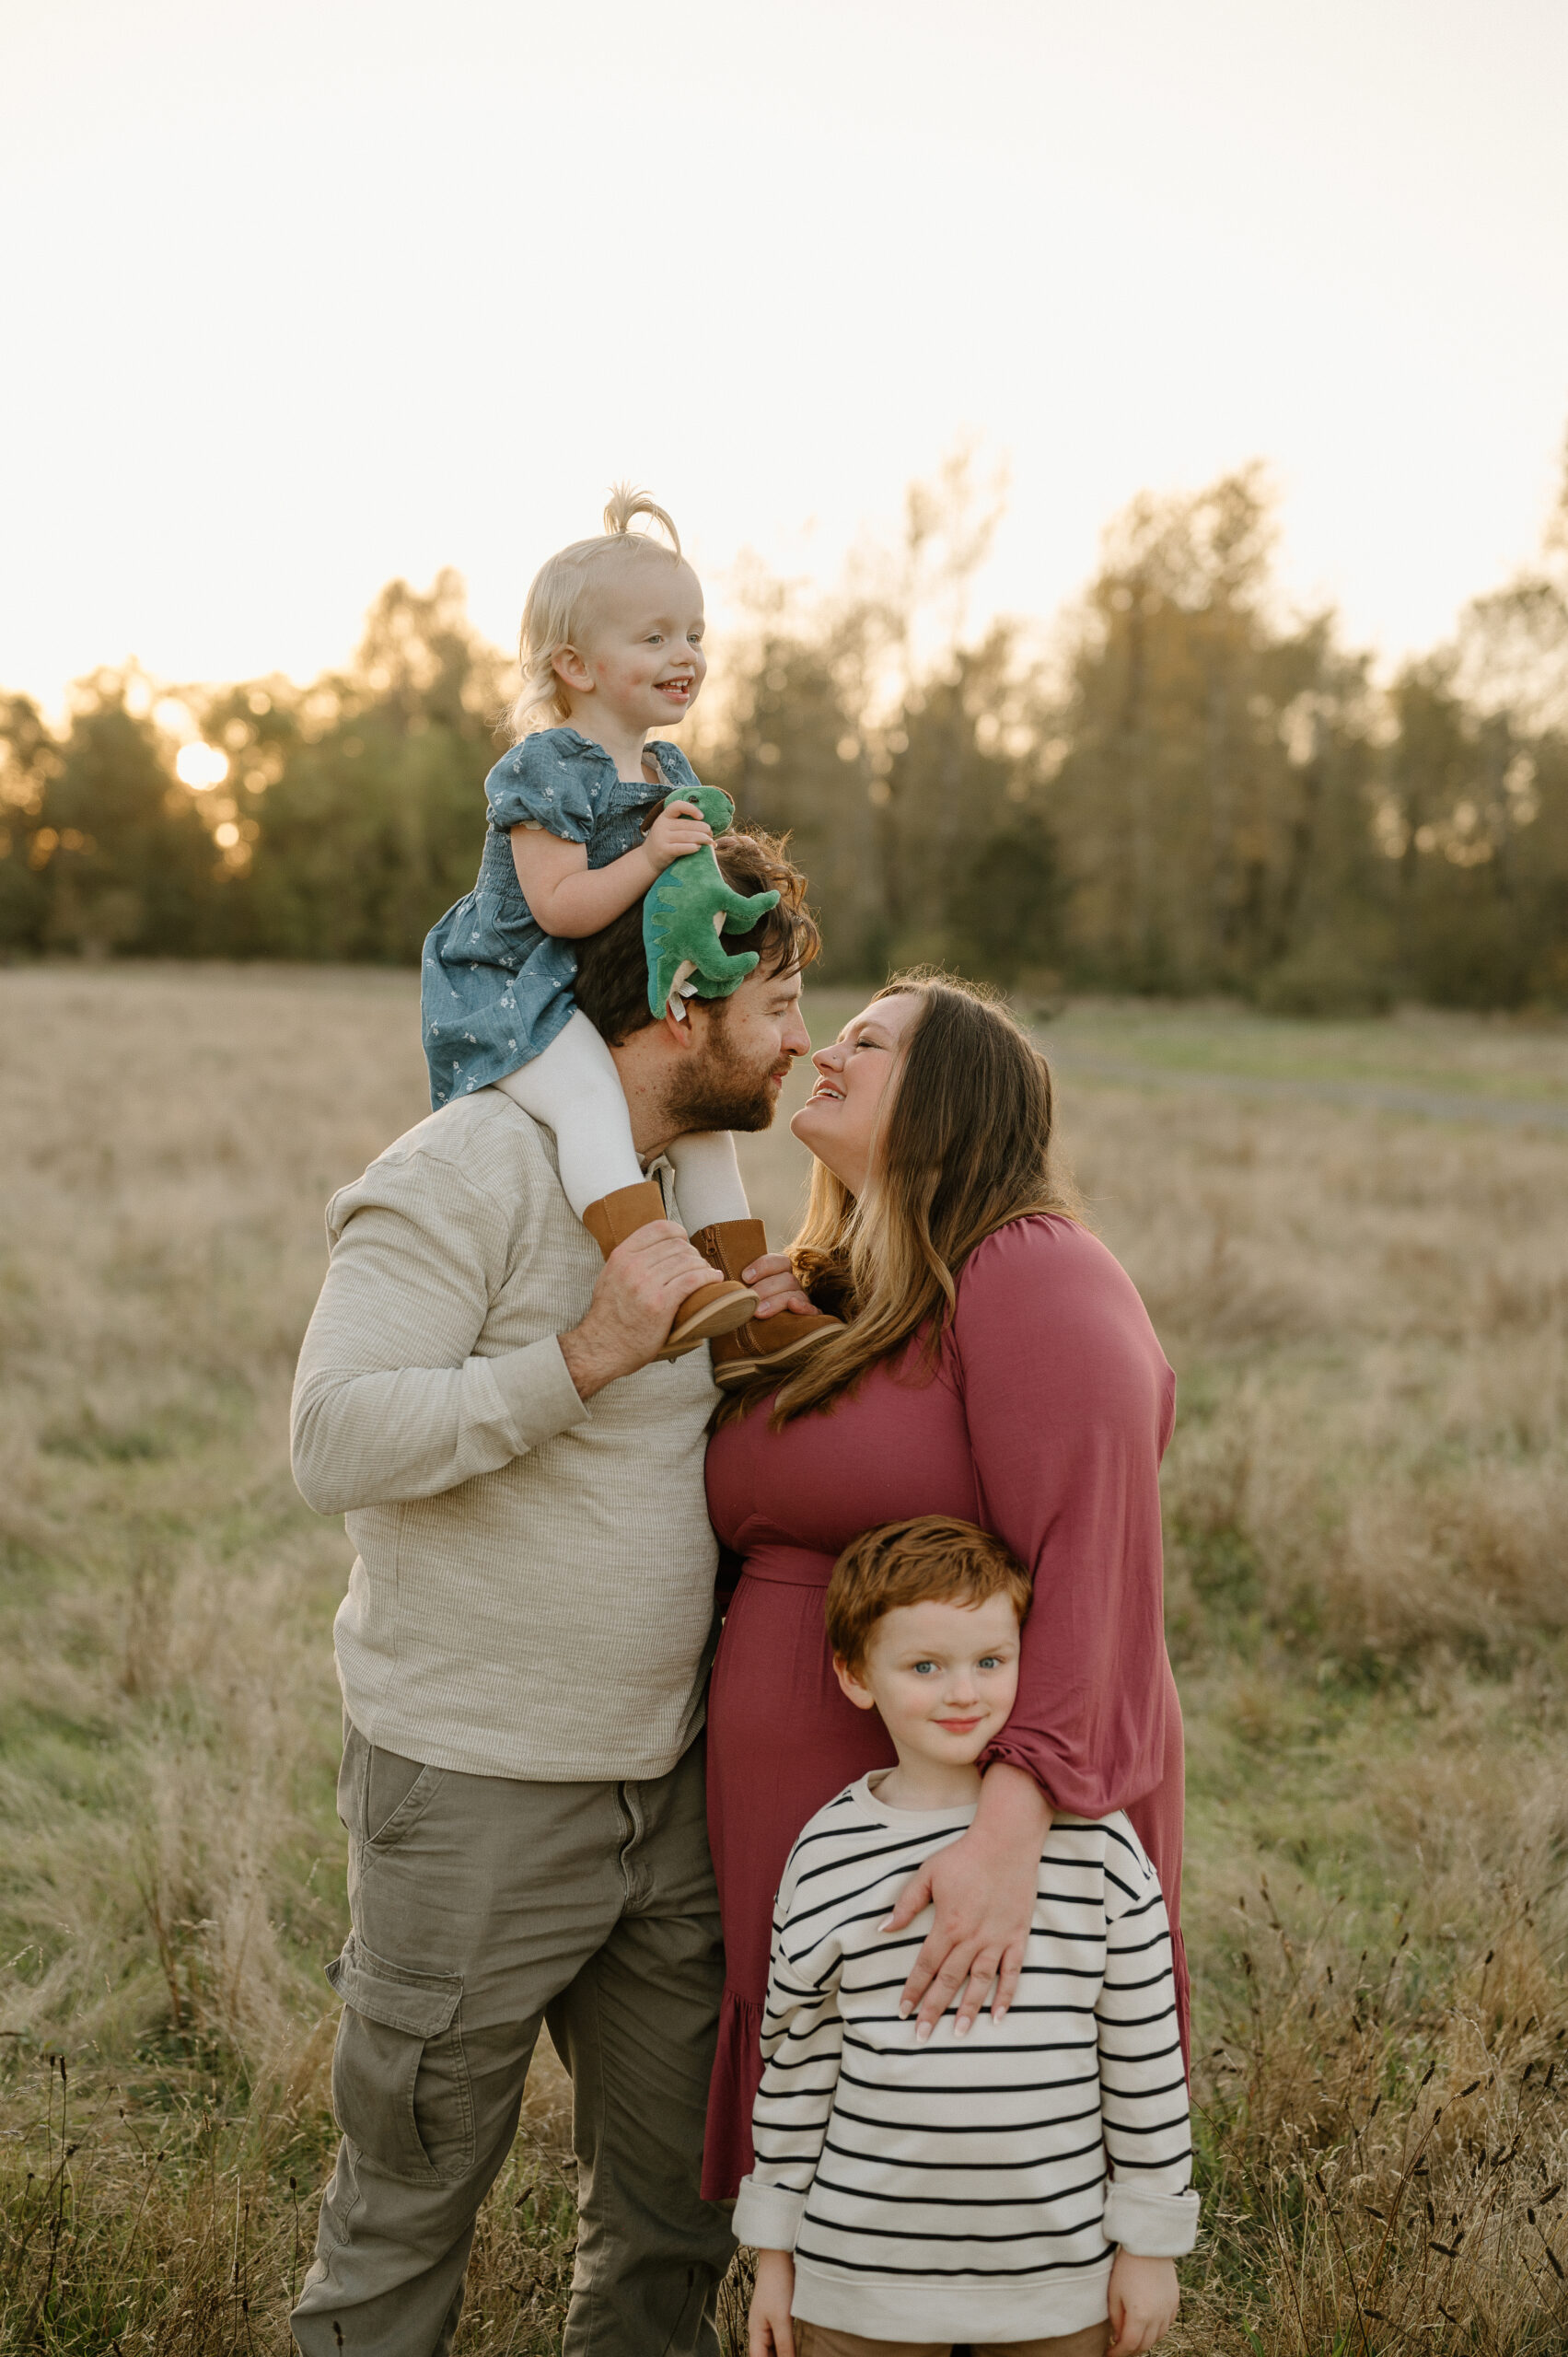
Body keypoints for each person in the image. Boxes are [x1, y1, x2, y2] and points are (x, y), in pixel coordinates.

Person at [287, 828, 821, 2357]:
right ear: (678, 1004)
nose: (798, 1038)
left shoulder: (683, 1186)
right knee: (400, 2231)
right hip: (474, 1799)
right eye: (775, 1006)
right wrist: (579, 1358)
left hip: (670, 1803)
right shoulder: (466, 1165)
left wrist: (754, 1343)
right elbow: (331, 1438)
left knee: (670, 2229)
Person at [703, 976, 1189, 2203]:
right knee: (843, 2208)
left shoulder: (1033, 1271)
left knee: (962, 2200)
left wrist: (1005, 1837)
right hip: (823, 1833)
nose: (825, 1050)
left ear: (949, 1102)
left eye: (868, 1042)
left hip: (960, 1837)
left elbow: (1095, 1569)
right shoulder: (863, 1296)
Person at [738, 1516, 1197, 2357]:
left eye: (990, 1662)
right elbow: (797, 2061)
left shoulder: (1095, 1842)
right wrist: (775, 2255)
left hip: (1057, 2276)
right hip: (860, 2277)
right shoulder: (827, 1850)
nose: (963, 1693)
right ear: (854, 1675)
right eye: (925, 1667)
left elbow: (1143, 2051)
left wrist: (1150, 2244)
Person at [420, 482, 838, 1375]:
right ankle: (663, 1278)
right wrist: (649, 857)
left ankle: (743, 1318)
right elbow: (558, 907)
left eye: (693, 634)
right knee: (587, 1105)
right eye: (653, 637)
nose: (684, 654)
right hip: (515, 983)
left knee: (702, 1124)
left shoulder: (666, 763)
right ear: (574, 666)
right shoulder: (541, 766)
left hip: (602, 979)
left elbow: (673, 896)